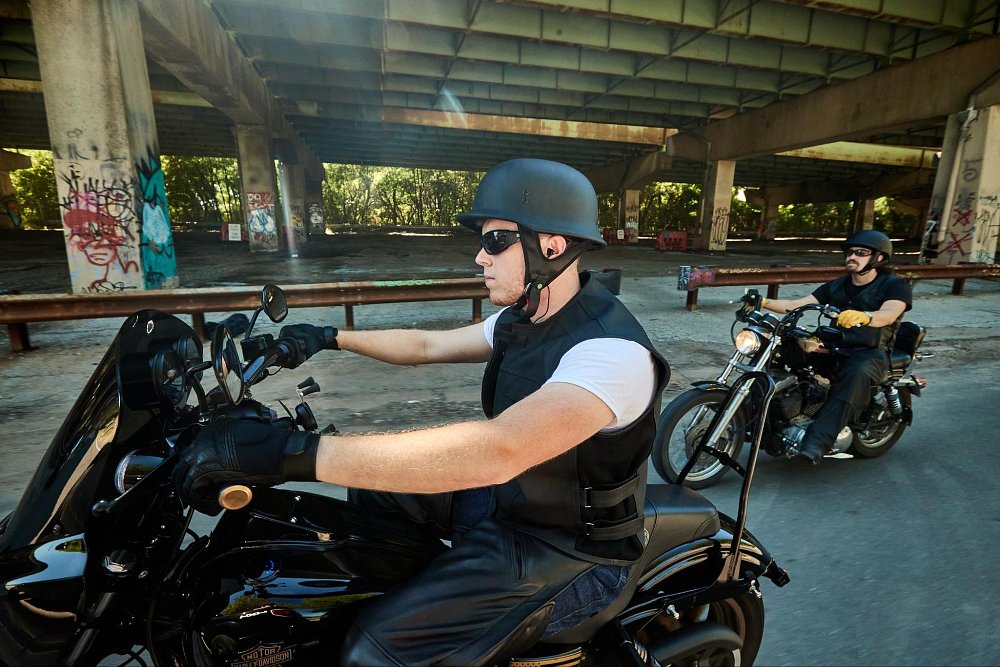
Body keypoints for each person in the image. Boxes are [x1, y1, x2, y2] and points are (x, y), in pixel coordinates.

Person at [174, 158, 670, 666]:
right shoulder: (529, 316)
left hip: (569, 550)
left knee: (369, 651)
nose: (480, 256)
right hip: (513, 503)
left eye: (496, 241)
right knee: (373, 490)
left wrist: (294, 453)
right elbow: (428, 344)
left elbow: (498, 451)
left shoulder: (611, 354)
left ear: (552, 246)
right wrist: (326, 338)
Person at [746, 229, 912, 463]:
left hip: (869, 352)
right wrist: (762, 302)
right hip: (835, 345)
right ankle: (774, 418)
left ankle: (816, 443)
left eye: (861, 253)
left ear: (879, 258)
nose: (852, 257)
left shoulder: (894, 285)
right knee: (786, 352)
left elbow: (889, 313)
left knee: (854, 377)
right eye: (850, 252)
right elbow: (796, 304)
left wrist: (866, 317)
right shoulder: (837, 285)